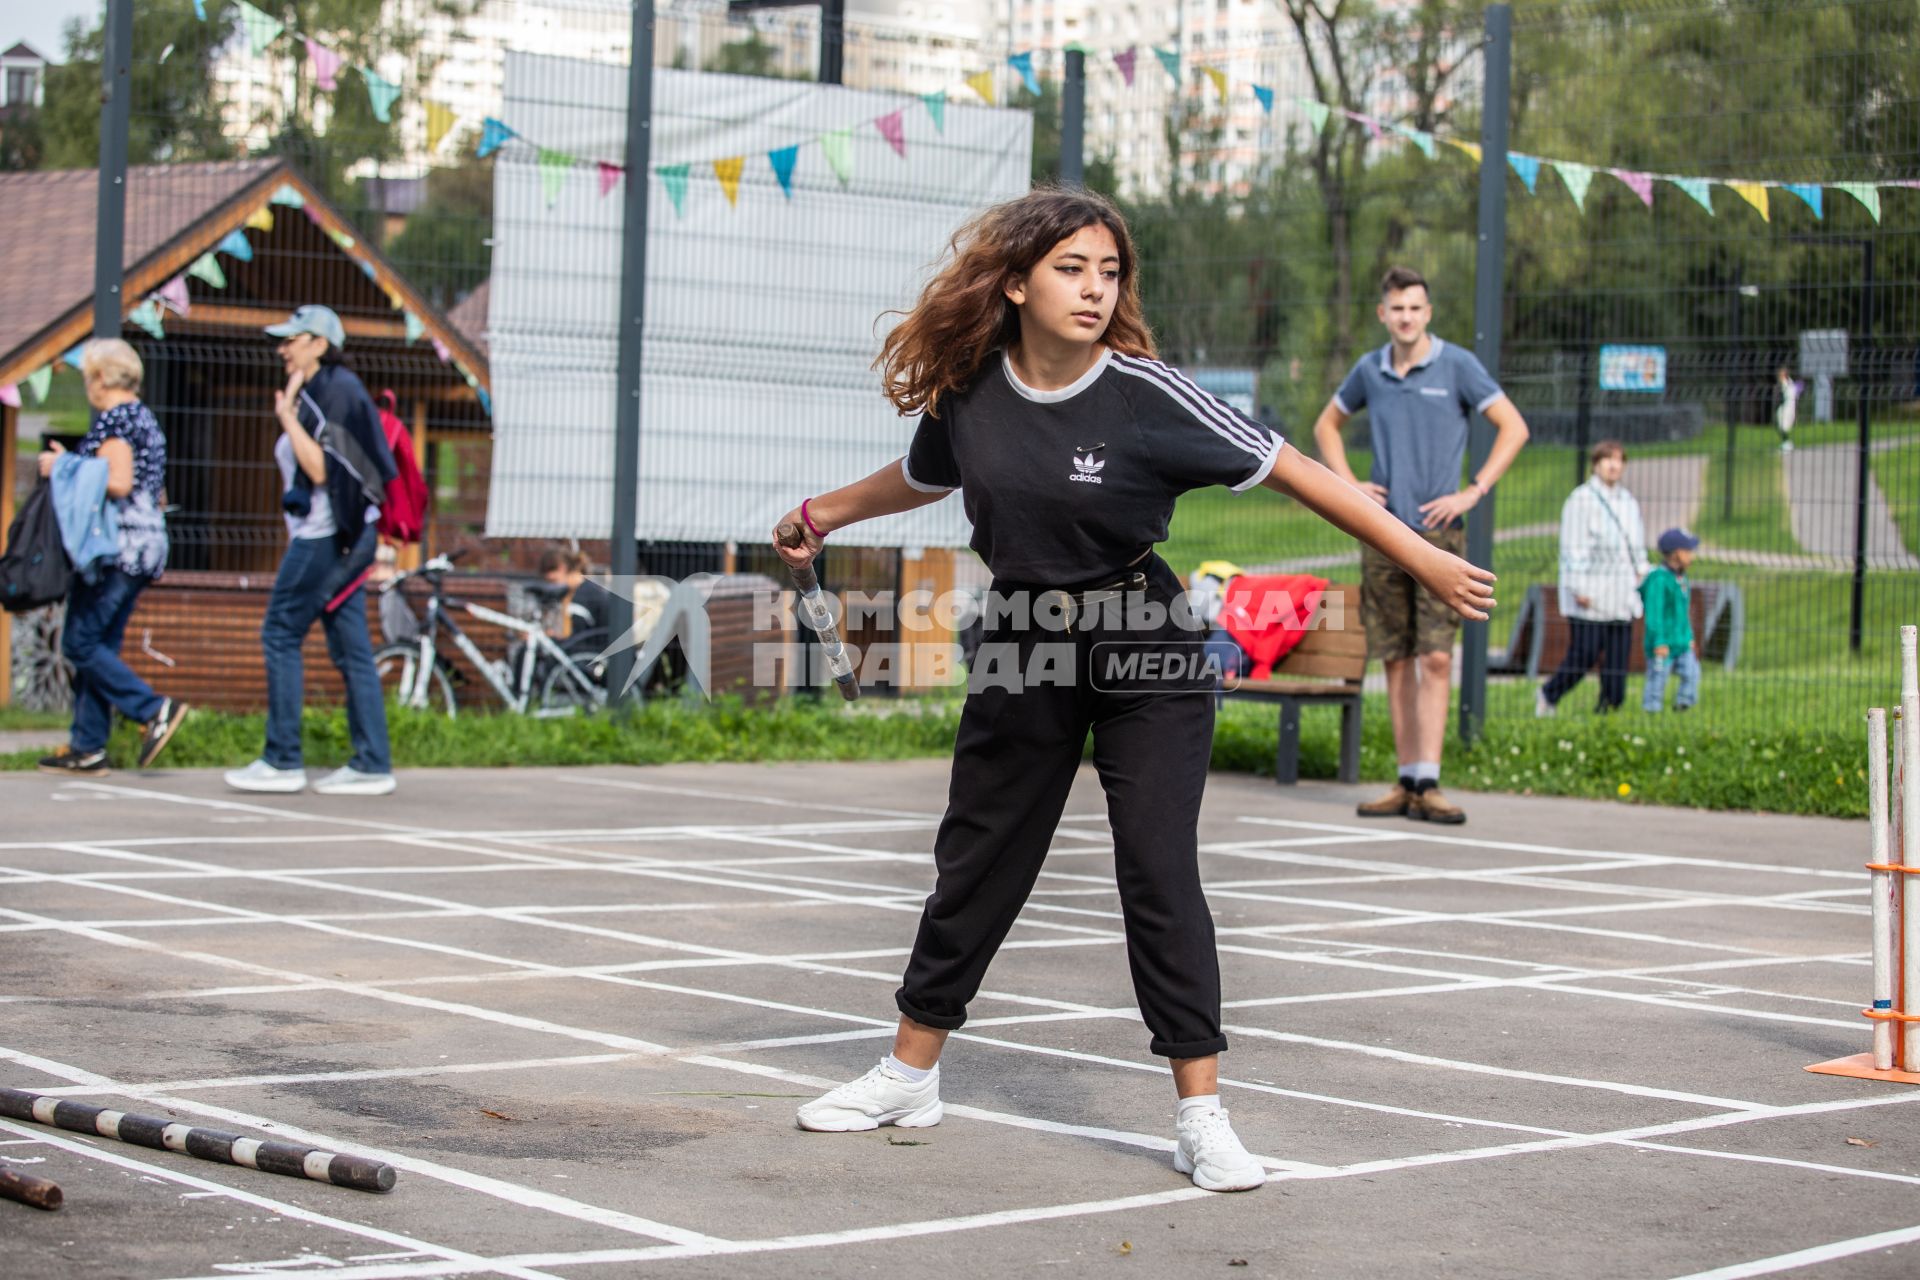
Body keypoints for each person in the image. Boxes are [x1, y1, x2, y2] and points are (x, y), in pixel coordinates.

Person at [772, 189, 1496, 1192]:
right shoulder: (971, 391)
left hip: (1145, 643)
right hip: (1025, 638)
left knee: (1156, 870)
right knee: (975, 861)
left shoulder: (1148, 394)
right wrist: (823, 512)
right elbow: (925, 475)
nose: (1095, 289)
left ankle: (1202, 1114)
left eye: (1110, 272)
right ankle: (908, 1073)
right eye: (1072, 268)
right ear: (1017, 281)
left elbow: (1297, 470)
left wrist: (1422, 557)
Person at [1311, 266, 1530, 825]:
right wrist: (1350, 487)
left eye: (1415, 307)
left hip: (1440, 536)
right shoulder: (1370, 370)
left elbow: (1514, 427)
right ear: (1383, 314)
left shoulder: (1457, 365)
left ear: (1428, 313)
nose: (1406, 317)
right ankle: (1405, 780)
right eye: (1396, 308)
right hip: (1384, 531)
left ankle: (1430, 781)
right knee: (1397, 658)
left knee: (1435, 657)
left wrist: (1473, 491)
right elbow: (1325, 427)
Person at [225, 306, 399, 796]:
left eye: (293, 339)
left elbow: (324, 472)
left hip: (328, 537)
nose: (284, 347)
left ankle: (282, 760)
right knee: (352, 650)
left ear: (320, 344)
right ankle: (372, 763)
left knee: (280, 631)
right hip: (341, 536)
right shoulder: (321, 391)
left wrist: (286, 417)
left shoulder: (334, 392)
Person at [35, 339, 188, 775]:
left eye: (87, 377)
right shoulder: (144, 418)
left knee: (79, 642)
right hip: (144, 546)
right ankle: (88, 745)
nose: (87, 386)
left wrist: (60, 467)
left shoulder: (118, 420)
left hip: (116, 550)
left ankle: (153, 709)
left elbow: (117, 481)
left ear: (101, 378)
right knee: (100, 645)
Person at [1537, 440, 1648, 717]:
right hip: (1590, 591)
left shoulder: (1627, 501)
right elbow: (1572, 546)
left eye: (1619, 459)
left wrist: (1641, 574)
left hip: (1620, 592)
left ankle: (1608, 714)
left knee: (1616, 662)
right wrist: (1578, 586)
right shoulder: (1581, 499)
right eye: (1607, 459)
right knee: (1583, 654)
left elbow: (1636, 544)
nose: (1613, 465)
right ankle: (1549, 694)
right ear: (1596, 464)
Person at [1641, 528, 1700, 713]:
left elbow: (1683, 613)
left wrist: (1689, 638)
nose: (1692, 556)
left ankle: (1683, 704)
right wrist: (1659, 641)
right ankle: (1651, 711)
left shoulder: (1681, 578)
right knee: (1657, 679)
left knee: (1693, 673)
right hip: (1663, 644)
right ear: (1676, 554)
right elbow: (1654, 614)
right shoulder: (1659, 580)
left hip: (1681, 642)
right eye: (1688, 551)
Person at [1774, 366, 1801, 453]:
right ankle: (1786, 443)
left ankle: (1787, 443)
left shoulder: (1787, 384)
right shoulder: (1788, 383)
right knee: (1780, 426)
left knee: (1783, 426)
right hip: (1785, 407)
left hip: (1787, 408)